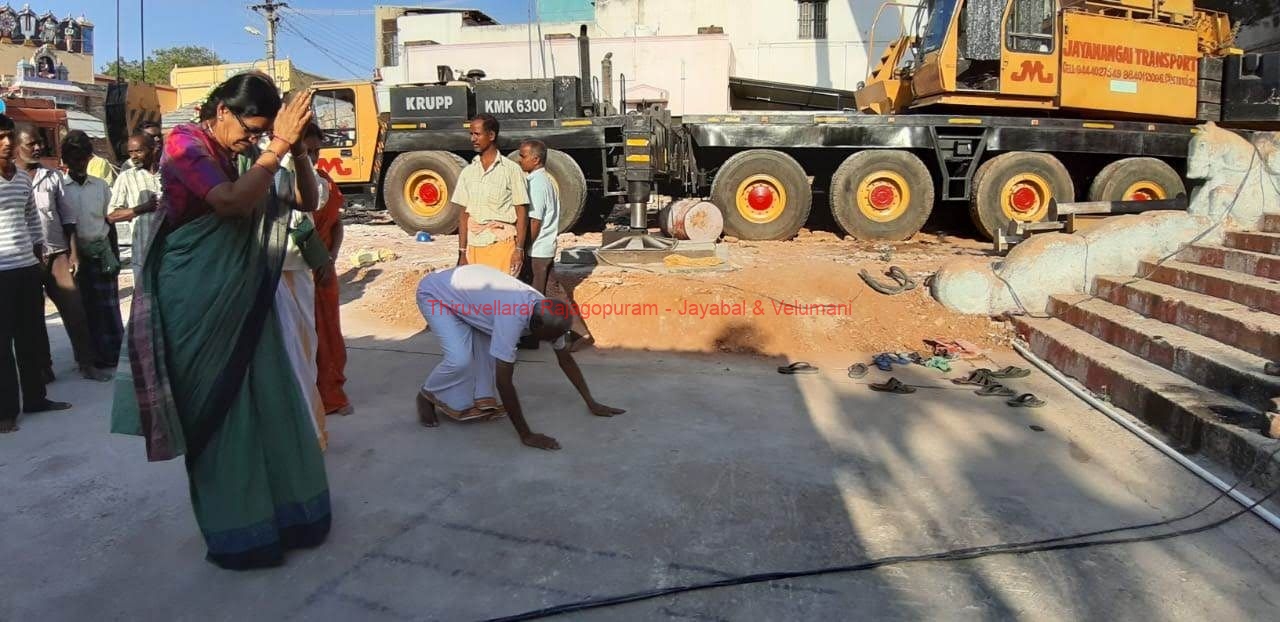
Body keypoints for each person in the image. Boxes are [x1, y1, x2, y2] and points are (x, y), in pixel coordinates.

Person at [110, 72, 330, 570]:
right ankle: (241, 533)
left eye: (262, 133)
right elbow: (229, 202)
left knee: (271, 402)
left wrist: (296, 150)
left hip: (243, 299)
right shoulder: (186, 143)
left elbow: (308, 201)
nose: (254, 141)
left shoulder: (247, 153)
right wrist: (276, 146)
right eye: (251, 130)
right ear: (223, 111)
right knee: (219, 412)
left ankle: (292, 516)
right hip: (195, 297)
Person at [415, 264, 625, 451]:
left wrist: (592, 402)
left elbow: (565, 359)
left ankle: (478, 399)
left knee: (489, 354)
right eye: (549, 338)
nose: (552, 342)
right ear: (536, 325)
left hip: (470, 294)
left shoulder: (549, 314)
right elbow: (504, 382)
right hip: (435, 294)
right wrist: (526, 434)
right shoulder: (512, 317)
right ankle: (425, 396)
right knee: (459, 359)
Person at [17, 125, 107, 382]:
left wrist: (73, 253)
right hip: (25, 258)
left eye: (39, 142)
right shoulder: (10, 179)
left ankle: (86, 363)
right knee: (33, 318)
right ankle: (43, 367)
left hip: (57, 253)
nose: (37, 147)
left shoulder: (52, 176)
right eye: (31, 144)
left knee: (75, 310)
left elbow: (68, 218)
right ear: (17, 146)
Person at [0, 113, 70, 433]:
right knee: (2, 345)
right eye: (0, 138)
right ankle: (5, 412)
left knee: (30, 337)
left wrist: (38, 253)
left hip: (26, 268)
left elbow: (31, 219)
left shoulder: (21, 179)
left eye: (9, 136)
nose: (6, 143)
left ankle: (35, 399)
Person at [61, 130, 123, 373]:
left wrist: (115, 255)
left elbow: (110, 221)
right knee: (84, 309)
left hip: (101, 251)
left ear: (89, 158)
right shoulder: (60, 189)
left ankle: (113, 353)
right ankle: (91, 356)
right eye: (74, 159)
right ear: (66, 160)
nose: (79, 164)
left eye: (83, 158)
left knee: (108, 306)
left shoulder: (100, 186)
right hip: (74, 256)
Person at [301, 122, 351, 417]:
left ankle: (332, 393)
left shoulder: (326, 182)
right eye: (307, 151)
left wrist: (330, 257)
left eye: (316, 151)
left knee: (329, 332)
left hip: (324, 271)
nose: (313, 158)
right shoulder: (285, 183)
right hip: (298, 271)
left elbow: (337, 224)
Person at [453, 114, 529, 276]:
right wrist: (462, 253)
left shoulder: (511, 170)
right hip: (474, 248)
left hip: (502, 246)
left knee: (501, 292)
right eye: (471, 134)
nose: (473, 139)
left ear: (492, 135)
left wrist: (519, 250)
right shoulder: (468, 172)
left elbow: (522, 213)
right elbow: (463, 215)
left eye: (477, 134)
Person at [106, 132, 161, 283]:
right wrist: (142, 208)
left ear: (153, 149)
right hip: (143, 254)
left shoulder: (168, 173)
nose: (134, 156)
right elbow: (112, 215)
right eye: (131, 152)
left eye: (139, 151)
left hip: (170, 252)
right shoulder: (126, 177)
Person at [516, 139, 559, 295]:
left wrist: (521, 248)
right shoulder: (543, 180)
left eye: (523, 156)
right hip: (543, 249)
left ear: (535, 160)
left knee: (535, 297)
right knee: (553, 294)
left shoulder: (537, 184)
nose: (519, 160)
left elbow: (534, 221)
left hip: (536, 251)